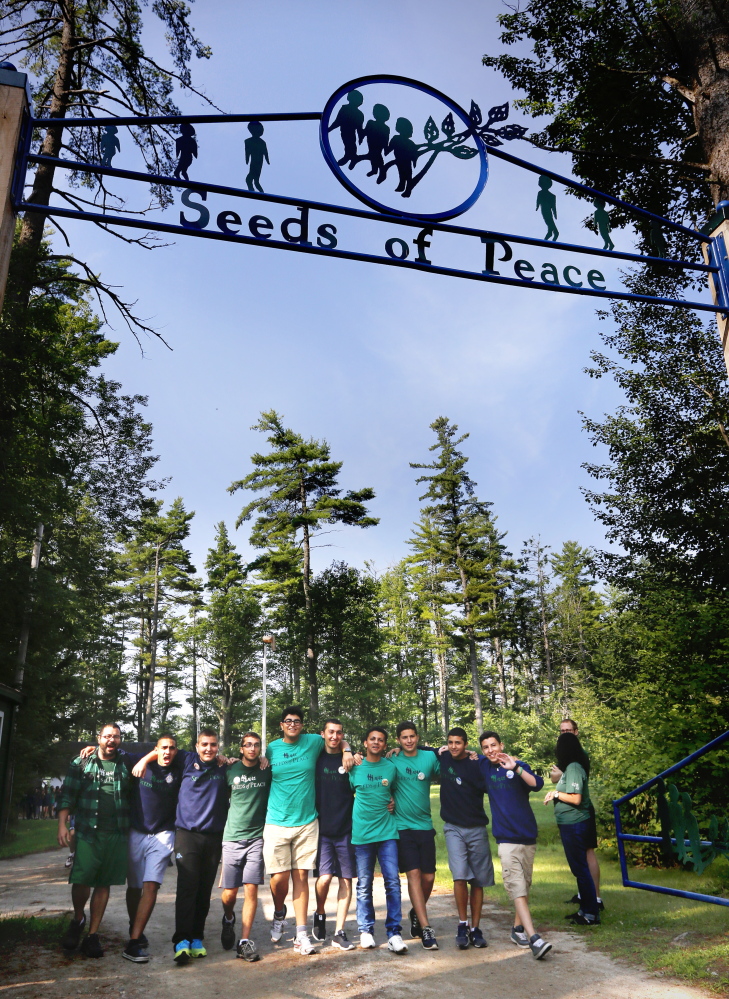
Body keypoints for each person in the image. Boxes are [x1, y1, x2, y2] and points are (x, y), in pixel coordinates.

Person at [264, 705, 356, 956]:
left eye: (297, 721)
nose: (292, 724)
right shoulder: (272, 748)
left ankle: (301, 934)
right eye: (288, 721)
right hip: (276, 822)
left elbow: (335, 737)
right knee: (279, 878)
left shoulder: (313, 741)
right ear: (281, 725)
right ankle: (280, 911)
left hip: (306, 822)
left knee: (301, 877)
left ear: (302, 725)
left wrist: (347, 750)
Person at [135, 728, 232, 963]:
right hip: (187, 835)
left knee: (204, 889)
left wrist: (249, 758)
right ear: (196, 747)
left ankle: (197, 936)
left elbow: (248, 764)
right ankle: (181, 940)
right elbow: (160, 749)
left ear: (218, 746)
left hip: (213, 837)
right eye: (204, 745)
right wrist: (144, 759)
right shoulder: (187, 759)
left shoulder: (224, 766)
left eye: (213, 745)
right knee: (188, 887)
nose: (208, 749)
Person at [57, 723, 132, 958]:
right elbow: (68, 793)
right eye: (107, 736)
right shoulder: (81, 762)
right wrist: (63, 824)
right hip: (88, 830)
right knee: (81, 879)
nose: (111, 740)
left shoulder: (126, 762)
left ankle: (92, 935)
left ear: (120, 740)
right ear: (98, 738)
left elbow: (161, 754)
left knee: (104, 882)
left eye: (116, 737)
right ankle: (78, 918)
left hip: (116, 832)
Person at [479, 731, 552, 960]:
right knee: (517, 888)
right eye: (485, 747)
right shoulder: (484, 767)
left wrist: (516, 768)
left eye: (493, 745)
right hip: (506, 840)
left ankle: (517, 929)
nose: (490, 750)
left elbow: (538, 784)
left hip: (527, 836)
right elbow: (458, 754)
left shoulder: (519, 765)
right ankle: (534, 939)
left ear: (501, 744)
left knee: (525, 886)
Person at [124, 733, 184, 963]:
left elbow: (204, 755)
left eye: (171, 748)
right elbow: (112, 750)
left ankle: (133, 941)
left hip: (164, 833)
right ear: (155, 749)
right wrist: (90, 749)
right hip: (136, 831)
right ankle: (134, 925)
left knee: (151, 885)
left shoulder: (179, 767)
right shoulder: (138, 760)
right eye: (163, 748)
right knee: (134, 887)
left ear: (176, 751)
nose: (167, 752)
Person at [349, 727, 407, 953]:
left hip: (387, 834)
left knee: (392, 882)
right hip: (362, 834)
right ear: (365, 743)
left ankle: (394, 933)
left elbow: (394, 793)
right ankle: (366, 930)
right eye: (372, 739)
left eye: (380, 740)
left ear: (385, 745)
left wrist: (391, 800)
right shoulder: (355, 767)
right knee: (364, 884)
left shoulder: (390, 768)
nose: (376, 742)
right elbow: (347, 793)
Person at [440, 727, 494, 950]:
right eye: (451, 742)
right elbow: (417, 750)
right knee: (459, 876)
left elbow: (495, 761)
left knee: (478, 880)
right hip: (453, 828)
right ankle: (462, 924)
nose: (454, 746)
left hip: (477, 828)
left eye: (458, 743)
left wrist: (479, 754)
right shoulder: (443, 757)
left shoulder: (477, 763)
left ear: (465, 744)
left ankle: (475, 928)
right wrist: (396, 749)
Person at [220, 731, 271, 962]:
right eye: (248, 745)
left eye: (256, 745)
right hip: (231, 838)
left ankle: (244, 942)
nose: (252, 748)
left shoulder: (266, 769)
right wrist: (224, 759)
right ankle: (228, 918)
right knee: (229, 894)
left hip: (256, 839)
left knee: (251, 889)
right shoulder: (230, 770)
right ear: (241, 749)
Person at [389, 721, 439, 950]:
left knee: (429, 878)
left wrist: (468, 754)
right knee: (414, 875)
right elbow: (377, 775)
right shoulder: (393, 759)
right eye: (404, 737)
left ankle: (416, 912)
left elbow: (449, 765)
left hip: (425, 825)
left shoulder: (429, 759)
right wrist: (387, 801)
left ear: (417, 737)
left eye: (412, 736)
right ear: (398, 740)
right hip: (402, 827)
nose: (408, 740)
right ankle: (426, 928)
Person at [544, 732, 599, 925]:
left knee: (581, 869)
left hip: (575, 823)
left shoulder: (574, 767)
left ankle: (591, 913)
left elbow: (575, 798)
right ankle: (584, 909)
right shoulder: (571, 768)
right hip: (569, 824)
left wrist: (555, 794)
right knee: (578, 868)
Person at [313, 718, 357, 951]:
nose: (335, 736)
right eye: (331, 732)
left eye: (339, 733)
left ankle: (339, 931)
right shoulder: (314, 757)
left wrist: (348, 751)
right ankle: (320, 912)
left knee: (345, 879)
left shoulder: (349, 760)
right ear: (323, 734)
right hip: (320, 830)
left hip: (346, 830)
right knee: (325, 878)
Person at [327, 90, 365, 168]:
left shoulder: (359, 114)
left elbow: (359, 127)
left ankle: (351, 156)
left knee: (351, 143)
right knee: (347, 143)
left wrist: (360, 136)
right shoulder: (345, 108)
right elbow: (338, 120)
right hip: (344, 130)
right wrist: (329, 129)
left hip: (350, 131)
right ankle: (350, 156)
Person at [245, 120, 269, 193]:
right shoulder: (248, 141)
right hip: (255, 161)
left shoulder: (261, 142)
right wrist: (247, 158)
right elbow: (247, 151)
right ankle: (254, 191)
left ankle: (259, 193)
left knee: (253, 180)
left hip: (258, 162)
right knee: (252, 180)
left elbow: (265, 153)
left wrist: (267, 159)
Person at [536, 175, 559, 241]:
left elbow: (554, 206)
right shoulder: (541, 193)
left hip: (546, 210)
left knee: (549, 223)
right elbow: (538, 201)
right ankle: (551, 234)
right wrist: (537, 206)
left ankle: (553, 234)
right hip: (544, 210)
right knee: (549, 223)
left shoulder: (552, 196)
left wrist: (555, 214)